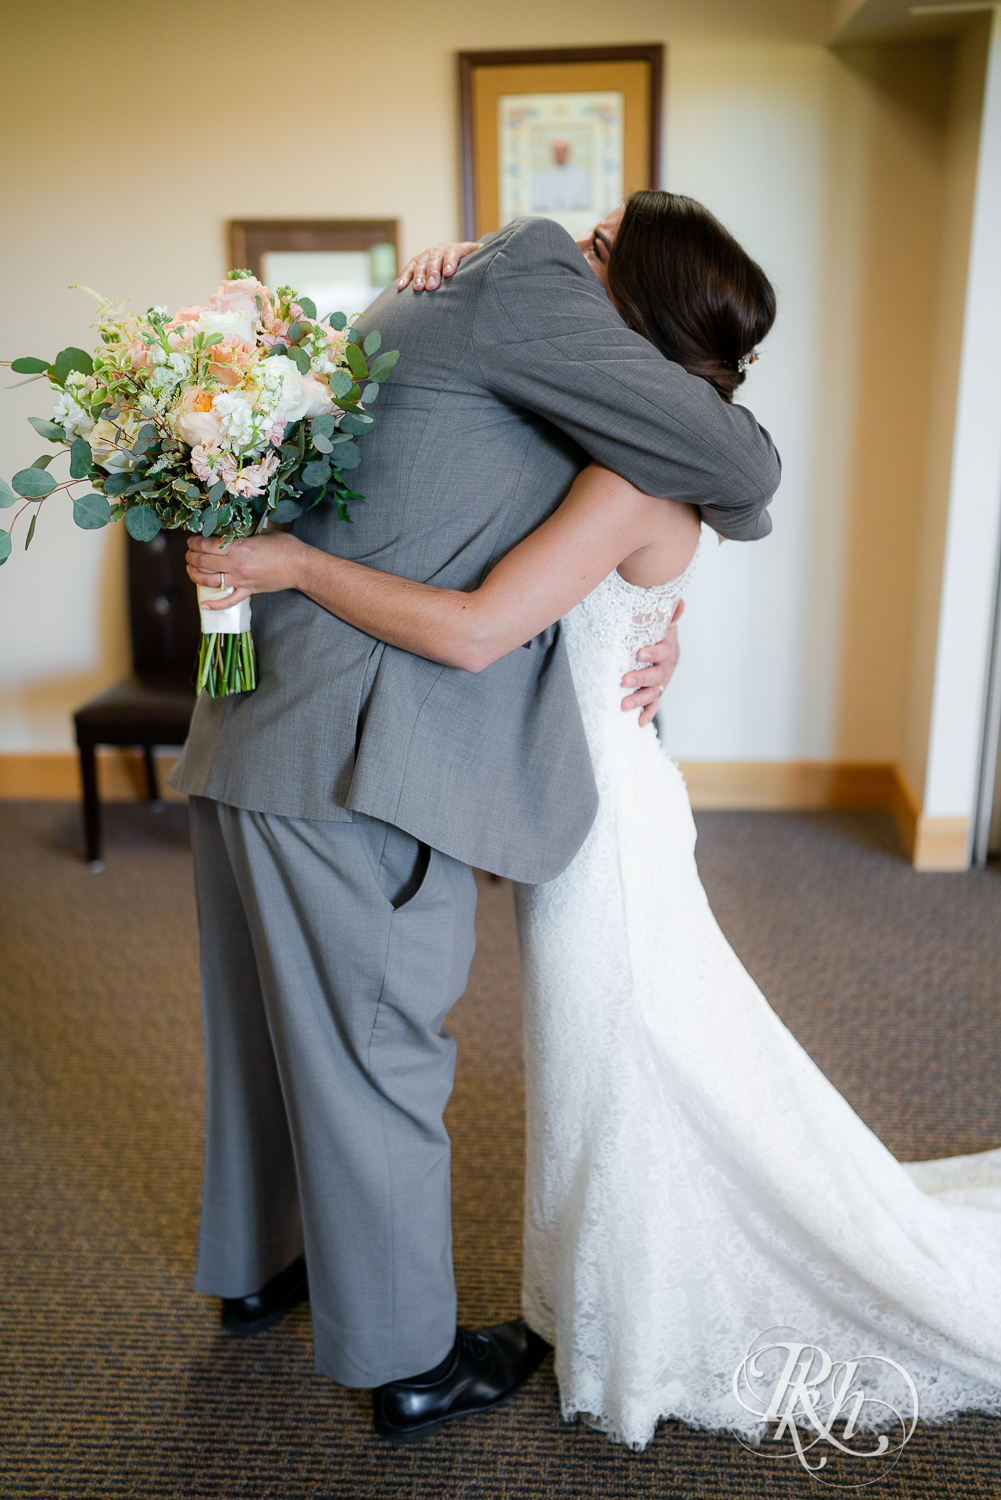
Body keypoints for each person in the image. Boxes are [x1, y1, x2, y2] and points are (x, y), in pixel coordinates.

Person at [189, 192, 1001, 1451]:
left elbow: (691, 505)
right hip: (350, 744)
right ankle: (407, 1361)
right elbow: (712, 490)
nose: (583, 244)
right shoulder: (539, 311)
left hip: (260, 717)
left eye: (604, 241)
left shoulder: (495, 313)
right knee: (370, 1046)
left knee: (267, 1023)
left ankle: (261, 1266)